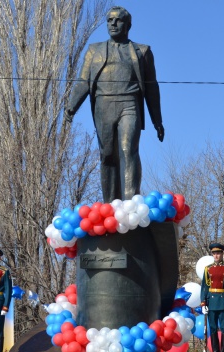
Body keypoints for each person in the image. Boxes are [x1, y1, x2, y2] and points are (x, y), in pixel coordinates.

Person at [65, 5, 165, 203]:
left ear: (128, 25)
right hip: (104, 105)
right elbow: (84, 81)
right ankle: (111, 205)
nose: (113, 24)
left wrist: (157, 121)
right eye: (109, 20)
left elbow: (152, 88)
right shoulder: (94, 50)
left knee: (128, 150)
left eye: (118, 20)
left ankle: (130, 204)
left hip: (129, 104)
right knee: (107, 155)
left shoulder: (142, 51)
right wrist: (72, 106)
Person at [199, 243, 224, 352]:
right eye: (214, 253)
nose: (216, 255)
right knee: (213, 326)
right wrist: (203, 302)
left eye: (218, 253)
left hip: (223, 300)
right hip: (211, 300)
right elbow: (204, 287)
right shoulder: (208, 268)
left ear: (222, 254)